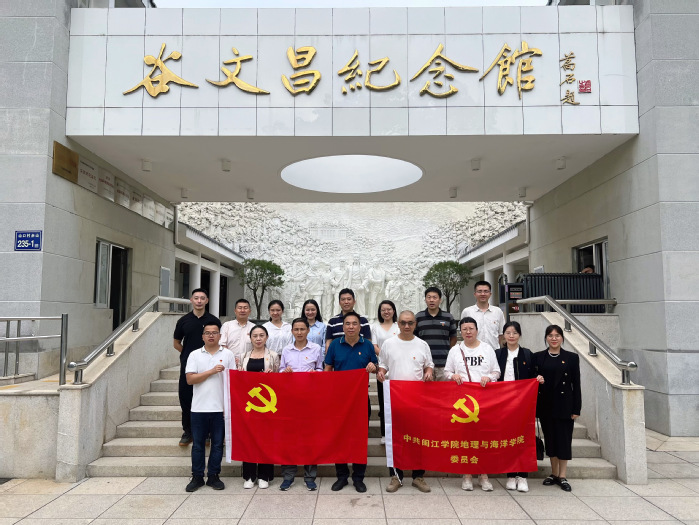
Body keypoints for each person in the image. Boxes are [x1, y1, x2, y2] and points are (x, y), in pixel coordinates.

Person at [377, 310, 434, 493]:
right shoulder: (389, 344)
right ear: (398, 324)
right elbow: (383, 365)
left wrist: (429, 372)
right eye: (403, 323)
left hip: (417, 399)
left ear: (415, 324)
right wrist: (381, 372)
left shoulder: (422, 344)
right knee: (396, 438)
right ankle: (396, 476)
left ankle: (418, 476)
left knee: (418, 439)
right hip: (396, 398)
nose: (407, 326)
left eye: (410, 323)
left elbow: (429, 365)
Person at [444, 316, 501, 491]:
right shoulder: (455, 350)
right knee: (465, 439)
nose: (468, 332)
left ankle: (484, 475)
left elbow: (496, 372)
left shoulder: (487, 349)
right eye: (464, 329)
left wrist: (489, 377)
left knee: (483, 439)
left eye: (471, 328)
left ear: (477, 330)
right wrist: (453, 375)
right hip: (463, 401)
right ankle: (467, 474)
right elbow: (447, 371)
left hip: (484, 400)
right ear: (460, 332)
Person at [324, 311, 378, 493]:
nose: (351, 327)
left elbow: (376, 366)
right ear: (343, 326)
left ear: (360, 327)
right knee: (339, 437)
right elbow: (328, 369)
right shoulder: (335, 345)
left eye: (354, 323)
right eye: (347, 324)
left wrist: (373, 366)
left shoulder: (367, 345)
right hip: (338, 400)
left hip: (360, 399)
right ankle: (341, 476)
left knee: (359, 439)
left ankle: (358, 478)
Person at [184, 320, 235, 492]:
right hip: (199, 408)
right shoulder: (194, 354)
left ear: (220, 336)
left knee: (218, 445)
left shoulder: (228, 354)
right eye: (207, 333)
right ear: (203, 336)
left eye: (214, 332)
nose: (211, 335)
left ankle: (214, 476)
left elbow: (233, 380)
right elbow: (190, 379)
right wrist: (211, 371)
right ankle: (197, 476)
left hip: (220, 408)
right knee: (198, 445)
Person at [495, 321, 544, 493]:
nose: (511, 336)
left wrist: (538, 379)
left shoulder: (527, 354)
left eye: (515, 333)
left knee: (523, 438)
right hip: (503, 404)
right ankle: (510, 475)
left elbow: (534, 375)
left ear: (520, 335)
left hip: (523, 403)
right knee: (508, 438)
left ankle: (522, 476)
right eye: (508, 332)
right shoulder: (498, 354)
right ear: (503, 335)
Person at [533, 324, 581, 492]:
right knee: (551, 439)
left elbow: (576, 384)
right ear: (546, 338)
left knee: (564, 440)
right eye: (550, 335)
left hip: (565, 405)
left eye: (557, 335)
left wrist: (576, 408)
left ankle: (562, 475)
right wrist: (537, 378)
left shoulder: (571, 357)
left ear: (562, 338)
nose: (554, 338)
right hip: (546, 405)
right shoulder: (538, 357)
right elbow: (531, 378)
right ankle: (553, 473)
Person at [278, 318, 324, 491]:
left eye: (302, 329)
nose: (299, 332)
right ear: (292, 331)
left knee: (310, 438)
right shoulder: (286, 350)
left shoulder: (316, 348)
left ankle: (310, 476)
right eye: (296, 329)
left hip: (310, 400)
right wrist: (285, 372)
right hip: (290, 400)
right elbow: (280, 370)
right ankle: (288, 476)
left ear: (308, 331)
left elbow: (321, 369)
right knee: (289, 439)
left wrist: (316, 373)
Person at [173, 288, 220, 446]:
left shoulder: (213, 321)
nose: (199, 301)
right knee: (186, 396)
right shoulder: (183, 321)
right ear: (191, 300)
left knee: (208, 396)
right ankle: (188, 431)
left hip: (209, 364)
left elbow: (218, 341)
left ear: (207, 301)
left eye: (202, 298)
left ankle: (207, 432)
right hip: (189, 365)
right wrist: (188, 355)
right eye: (196, 298)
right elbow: (176, 343)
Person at [238, 324, 280, 489]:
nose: (258, 339)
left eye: (261, 335)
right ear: (250, 338)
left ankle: (264, 475)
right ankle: (249, 475)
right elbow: (238, 380)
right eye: (255, 336)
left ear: (266, 337)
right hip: (248, 405)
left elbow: (280, 381)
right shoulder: (243, 356)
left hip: (267, 405)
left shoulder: (273, 355)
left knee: (266, 440)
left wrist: (272, 376)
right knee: (248, 439)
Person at [371, 300, 400, 445]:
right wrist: (386, 356)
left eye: (389, 309)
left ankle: (398, 433)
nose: (386, 312)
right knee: (383, 402)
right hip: (382, 368)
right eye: (383, 310)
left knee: (398, 403)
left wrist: (393, 357)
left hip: (398, 367)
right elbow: (374, 345)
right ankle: (384, 434)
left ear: (394, 311)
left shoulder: (399, 326)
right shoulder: (375, 327)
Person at [415, 287, 457, 380]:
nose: (431, 300)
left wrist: (447, 351)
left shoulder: (448, 317)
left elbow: (453, 337)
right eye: (429, 297)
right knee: (425, 389)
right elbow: (415, 338)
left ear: (440, 300)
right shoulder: (418, 317)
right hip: (424, 364)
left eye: (434, 297)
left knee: (444, 389)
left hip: (443, 364)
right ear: (425, 299)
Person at [461, 281, 505, 351]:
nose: (483, 294)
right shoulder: (467, 312)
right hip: (473, 352)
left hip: (494, 352)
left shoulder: (498, 311)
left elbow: (501, 334)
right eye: (479, 291)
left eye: (486, 291)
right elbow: (463, 333)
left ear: (490, 294)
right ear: (475, 294)